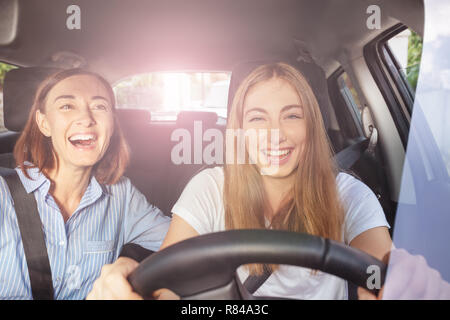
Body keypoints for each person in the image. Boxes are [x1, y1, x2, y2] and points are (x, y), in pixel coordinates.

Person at [89, 62, 392, 300]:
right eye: (258, 119)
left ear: (312, 127)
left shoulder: (350, 195)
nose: (276, 134)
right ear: (240, 131)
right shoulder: (209, 187)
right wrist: (134, 289)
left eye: (292, 116)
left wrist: (401, 284)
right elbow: (169, 285)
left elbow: (384, 275)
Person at [0, 68, 170, 300]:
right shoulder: (2, 193)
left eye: (100, 107)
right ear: (44, 123)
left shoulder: (122, 196)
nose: (87, 119)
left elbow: (186, 244)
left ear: (112, 125)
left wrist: (130, 267)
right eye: (67, 106)